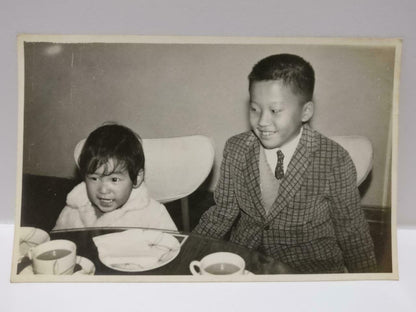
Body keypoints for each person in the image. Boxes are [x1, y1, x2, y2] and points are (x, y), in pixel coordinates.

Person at [193, 54, 377, 273]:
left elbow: (352, 232)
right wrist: (190, 249)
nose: (262, 121)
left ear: (305, 111)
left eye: (275, 110)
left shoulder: (334, 159)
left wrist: (368, 282)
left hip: (309, 268)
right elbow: (222, 213)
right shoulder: (236, 149)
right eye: (254, 109)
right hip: (247, 261)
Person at [53, 123, 177, 231]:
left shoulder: (154, 215)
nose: (103, 190)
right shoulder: (74, 209)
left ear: (137, 178)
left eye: (114, 179)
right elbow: (59, 243)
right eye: (94, 178)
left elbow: (173, 247)